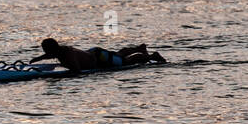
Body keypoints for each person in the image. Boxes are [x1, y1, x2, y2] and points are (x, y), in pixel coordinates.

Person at [28, 38, 166, 72]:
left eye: (44, 50)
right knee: (117, 55)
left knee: (125, 62)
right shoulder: (60, 51)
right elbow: (49, 56)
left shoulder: (67, 54)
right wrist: (37, 59)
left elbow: (77, 70)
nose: (44, 52)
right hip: (95, 53)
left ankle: (152, 56)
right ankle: (139, 48)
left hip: (99, 58)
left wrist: (58, 68)